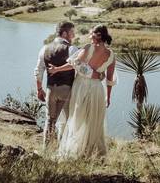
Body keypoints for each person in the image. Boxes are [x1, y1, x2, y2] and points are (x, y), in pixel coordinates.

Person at [48, 24, 116, 158]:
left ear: (98, 36)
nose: (89, 36)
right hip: (98, 89)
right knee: (93, 122)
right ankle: (92, 153)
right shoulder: (111, 54)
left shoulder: (88, 48)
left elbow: (75, 64)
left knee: (78, 118)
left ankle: (76, 152)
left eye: (91, 34)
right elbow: (109, 79)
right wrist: (108, 96)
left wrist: (57, 69)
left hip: (82, 87)